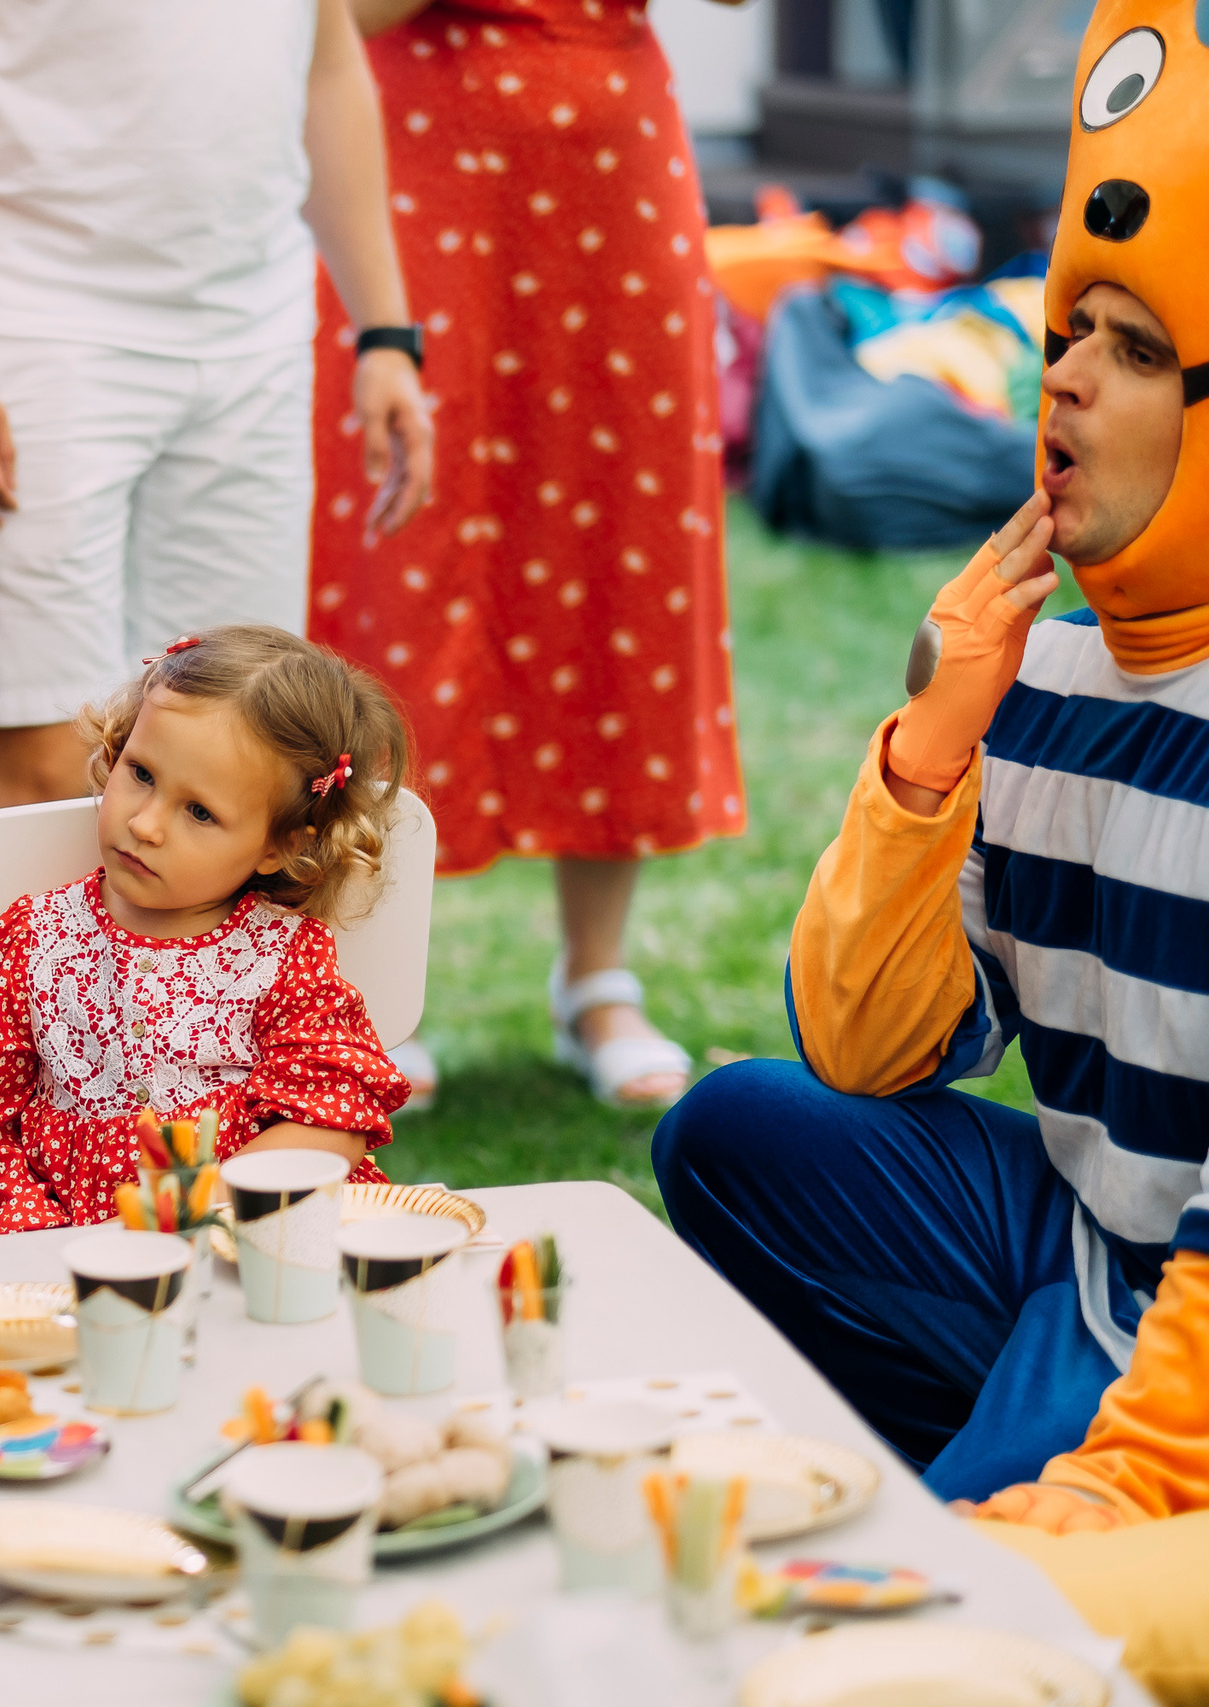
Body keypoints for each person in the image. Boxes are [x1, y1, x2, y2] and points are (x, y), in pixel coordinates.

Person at [656, 4, 1207, 1686]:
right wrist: (924, 752)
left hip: (1177, 1327)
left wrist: (1133, 1473)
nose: (1057, 372)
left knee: (898, 1620)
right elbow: (880, 1038)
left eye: (1125, 343)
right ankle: (1004, 1444)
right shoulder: (1041, 647)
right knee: (737, 1129)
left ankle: (1036, 1486)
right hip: (1089, 1240)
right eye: (1066, 324)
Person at [0, 0, 433, 822]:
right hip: (35, 331)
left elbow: (328, 66)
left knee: (235, 759)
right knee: (34, 773)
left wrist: (386, 332)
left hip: (252, 343)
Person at [310, 0, 751, 1109]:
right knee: (398, 568)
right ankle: (367, 981)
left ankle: (596, 975)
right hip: (417, 173)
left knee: (620, 554)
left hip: (613, 160)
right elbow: (341, 15)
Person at [0, 627, 413, 1238]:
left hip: (258, 1238)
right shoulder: (32, 939)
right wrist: (41, 1244)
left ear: (278, 846)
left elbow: (329, 1115)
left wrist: (206, 1214)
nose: (145, 822)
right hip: (69, 1252)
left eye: (199, 812)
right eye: (140, 773)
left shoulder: (280, 957)